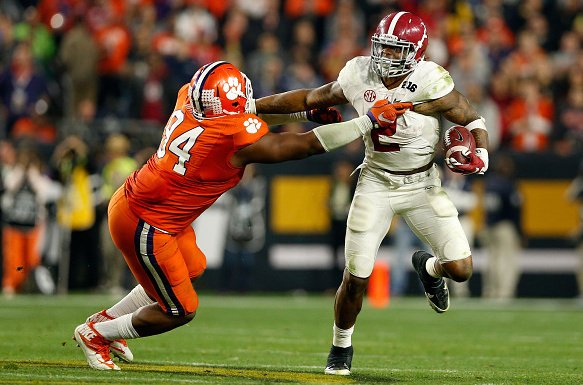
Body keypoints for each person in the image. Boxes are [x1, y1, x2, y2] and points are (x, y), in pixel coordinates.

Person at [72, 60, 413, 371]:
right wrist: (366, 123)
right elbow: (302, 146)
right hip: (147, 222)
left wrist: (304, 114)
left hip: (147, 206)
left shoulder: (188, 97)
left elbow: (249, 115)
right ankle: (96, 334)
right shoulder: (228, 139)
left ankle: (103, 322)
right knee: (179, 309)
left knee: (190, 269)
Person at [250, 11, 490, 375]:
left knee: (460, 269)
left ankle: (429, 268)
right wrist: (252, 108)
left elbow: (471, 118)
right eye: (383, 47)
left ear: (416, 52)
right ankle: (340, 347)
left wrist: (482, 154)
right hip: (376, 181)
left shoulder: (432, 79)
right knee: (356, 275)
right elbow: (309, 99)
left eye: (396, 51)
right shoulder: (358, 73)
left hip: (423, 183)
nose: (385, 57)